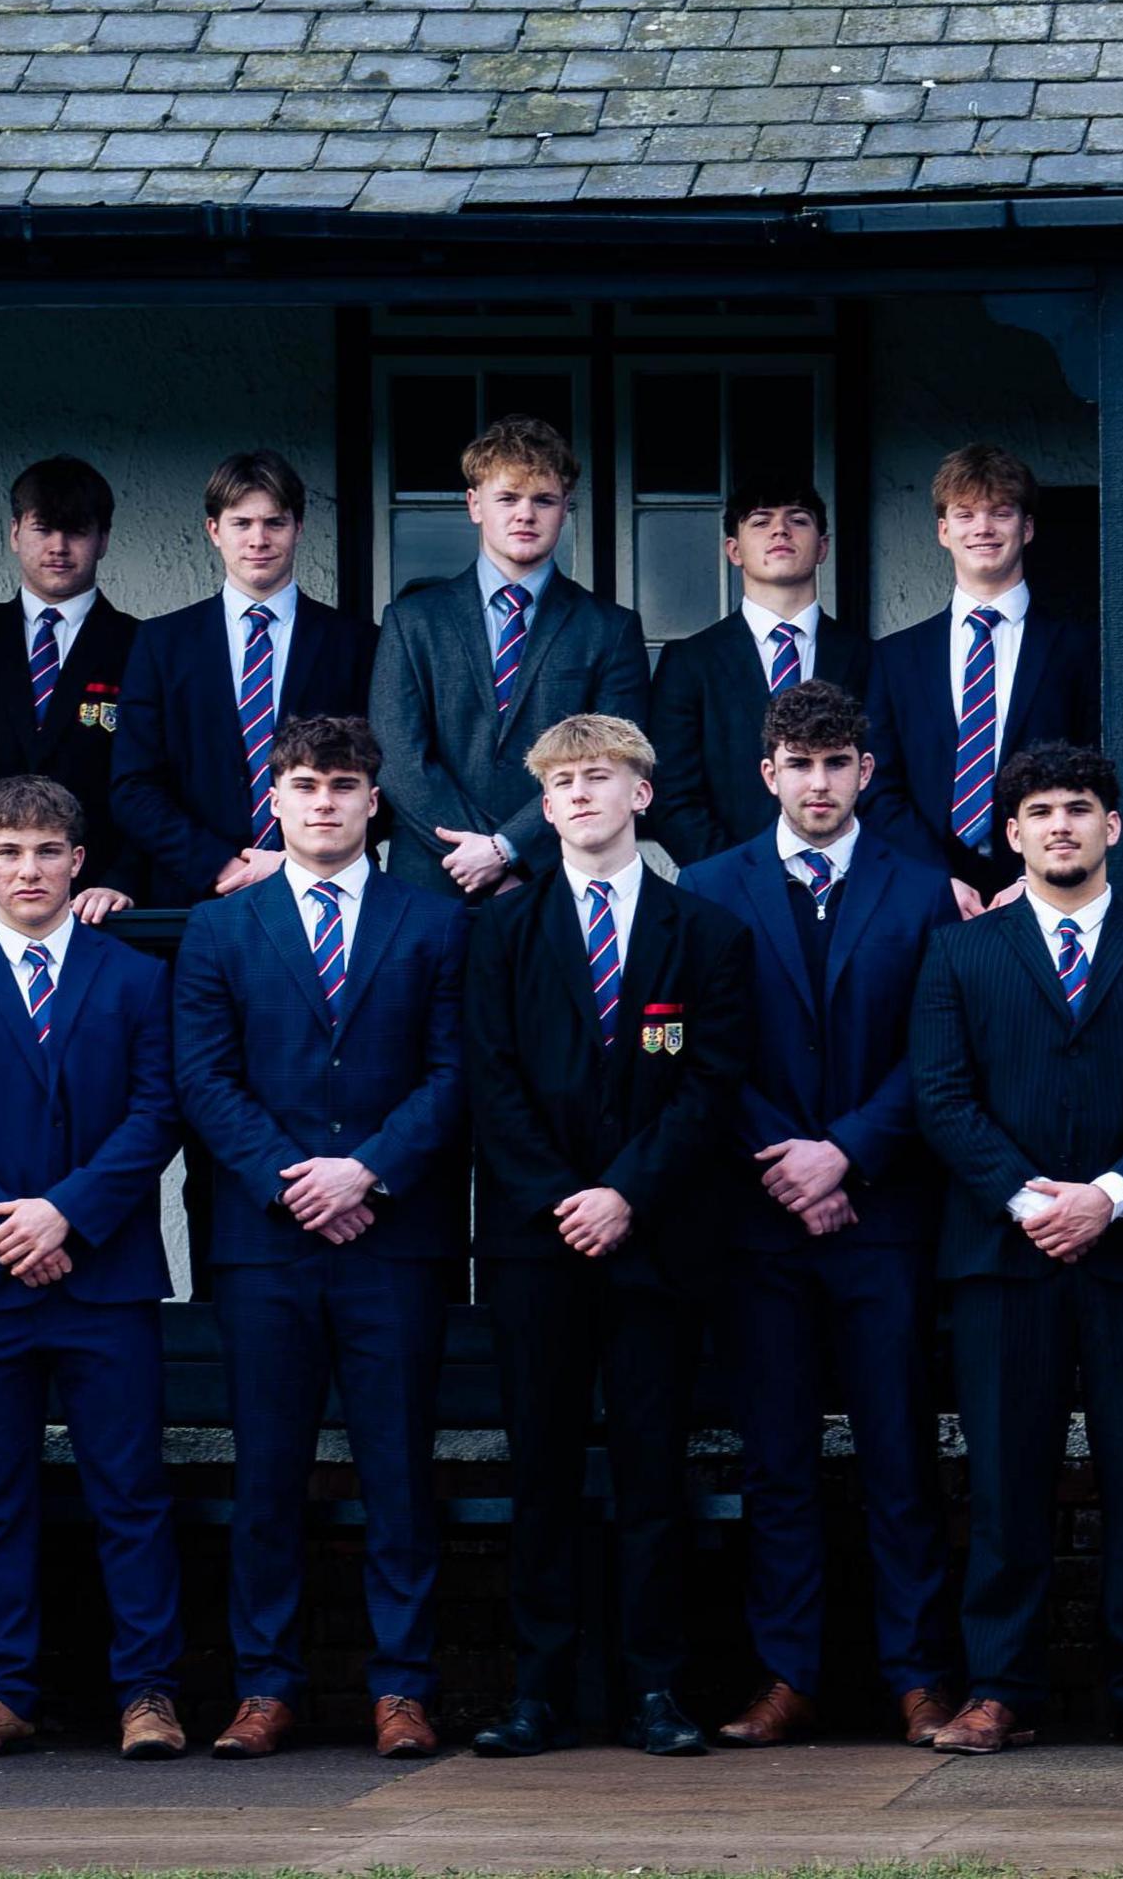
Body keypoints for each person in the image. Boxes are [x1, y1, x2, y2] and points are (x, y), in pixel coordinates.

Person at [911, 741, 1123, 1758]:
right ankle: (1000, 1687)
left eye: (1079, 808)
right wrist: (1030, 1201)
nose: (1061, 826)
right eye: (1041, 812)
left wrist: (1107, 1199)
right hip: (1004, 1260)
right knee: (1006, 1479)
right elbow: (942, 1098)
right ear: (1012, 833)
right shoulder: (959, 954)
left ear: (1112, 827)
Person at [169, 714, 471, 1760]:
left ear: (373, 802)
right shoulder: (221, 930)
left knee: (398, 1472)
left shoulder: (434, 923)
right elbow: (204, 1078)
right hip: (268, 1242)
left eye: (344, 786)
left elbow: (454, 1073)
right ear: (277, 801)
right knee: (268, 1474)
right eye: (305, 785)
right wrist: (290, 1181)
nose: (325, 802)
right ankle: (266, 1687)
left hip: (394, 1238)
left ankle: (403, 1690)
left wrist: (366, 1171)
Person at [461, 714, 754, 1759]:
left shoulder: (706, 933)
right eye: (562, 783)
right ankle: (538, 1691)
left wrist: (624, 1192)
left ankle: (656, 1688)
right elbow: (490, 1083)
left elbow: (709, 1083)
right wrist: (564, 1198)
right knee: (540, 1468)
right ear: (543, 809)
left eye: (600, 776)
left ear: (643, 793)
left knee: (651, 1470)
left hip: (657, 1241)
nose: (581, 794)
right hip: (536, 1246)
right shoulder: (498, 931)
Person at [677, 683, 962, 1750]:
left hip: (882, 1217)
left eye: (836, 763)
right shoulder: (707, 887)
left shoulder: (924, 892)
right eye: (799, 764)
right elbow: (698, 1045)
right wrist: (787, 1161)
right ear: (768, 775)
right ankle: (786, 1674)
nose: (818, 782)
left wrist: (846, 1152)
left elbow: (937, 1051)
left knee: (900, 1454)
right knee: (778, 1459)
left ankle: (918, 1677)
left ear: (865, 771)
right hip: (759, 1221)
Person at [0, 775, 185, 1759]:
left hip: (107, 1277)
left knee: (129, 1492)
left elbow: (157, 1114)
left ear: (77, 861)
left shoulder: (134, 978)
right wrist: (7, 1227)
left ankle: (148, 1693)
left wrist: (68, 1215)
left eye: (48, 851)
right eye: (9, 853)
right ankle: (0, 1690)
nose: (29, 870)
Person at [367, 416, 653, 900]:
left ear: (566, 507)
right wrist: (476, 852)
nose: (525, 514)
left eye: (543, 500)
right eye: (507, 498)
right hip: (433, 876)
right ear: (474, 505)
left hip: (551, 879)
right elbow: (399, 757)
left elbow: (611, 759)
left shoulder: (609, 629)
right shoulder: (412, 620)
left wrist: (508, 849)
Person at [111, 450, 378, 909]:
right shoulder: (161, 643)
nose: (259, 539)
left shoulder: (357, 643)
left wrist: (297, 863)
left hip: (327, 892)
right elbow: (132, 785)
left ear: (298, 528)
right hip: (195, 895)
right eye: (241, 523)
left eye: (275, 523)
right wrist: (220, 866)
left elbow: (382, 776)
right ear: (214, 530)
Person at [867, 445, 1109, 904]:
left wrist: (1031, 879)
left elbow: (1095, 771)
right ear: (943, 531)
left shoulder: (1079, 650)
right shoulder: (895, 658)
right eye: (965, 514)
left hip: (1046, 891)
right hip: (928, 893)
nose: (983, 528)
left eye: (1000, 512)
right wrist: (936, 880)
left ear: (1027, 527)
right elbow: (878, 786)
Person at [0, 458, 140, 904]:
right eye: (42, 529)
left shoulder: (143, 646)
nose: (58, 547)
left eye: (76, 531)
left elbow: (158, 780)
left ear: (103, 539)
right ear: (14, 533)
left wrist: (122, 881)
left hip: (101, 899)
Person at [647, 475, 873, 867]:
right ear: (733, 550)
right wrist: (737, 878)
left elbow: (883, 782)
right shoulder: (689, 662)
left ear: (823, 547)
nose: (780, 530)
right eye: (761, 521)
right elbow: (672, 795)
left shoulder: (867, 657)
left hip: (850, 878)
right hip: (727, 882)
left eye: (798, 520)